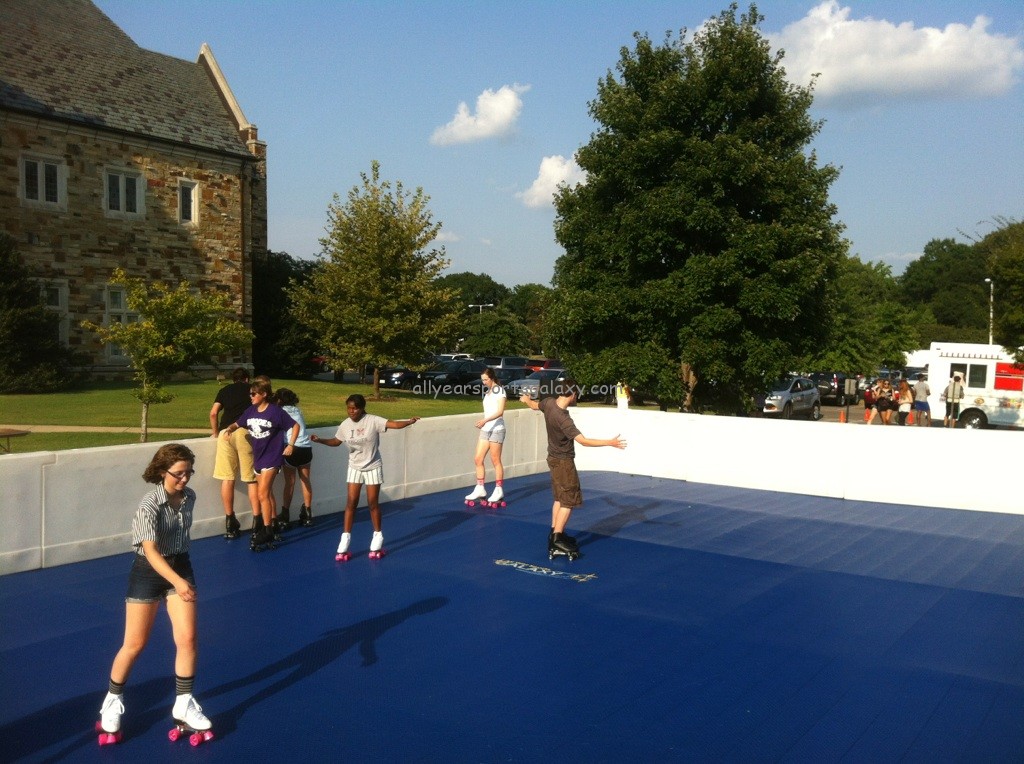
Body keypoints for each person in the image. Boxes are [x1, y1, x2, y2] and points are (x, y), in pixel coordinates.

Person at [95, 444, 213, 746]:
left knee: (187, 639)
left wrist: (180, 579)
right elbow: (150, 550)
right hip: (148, 572)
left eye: (189, 472)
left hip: (180, 564)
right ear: (163, 472)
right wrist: (179, 581)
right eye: (179, 473)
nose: (185, 479)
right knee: (135, 643)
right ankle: (112, 700)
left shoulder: (190, 497)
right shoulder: (148, 505)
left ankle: (184, 702)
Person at [519, 378, 626, 559]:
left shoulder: (549, 403)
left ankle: (555, 533)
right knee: (569, 501)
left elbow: (534, 405)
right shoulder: (564, 419)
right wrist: (610, 442)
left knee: (559, 498)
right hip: (564, 463)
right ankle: (557, 540)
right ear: (573, 394)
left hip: (552, 459)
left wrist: (526, 399)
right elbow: (583, 441)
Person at [310, 394, 420, 560]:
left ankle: (377, 537)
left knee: (372, 503)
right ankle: (345, 540)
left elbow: (394, 424)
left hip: (373, 467)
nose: (351, 411)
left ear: (362, 408)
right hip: (354, 467)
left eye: (354, 408)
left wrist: (409, 422)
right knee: (351, 502)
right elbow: (336, 441)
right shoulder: (345, 425)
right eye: (349, 408)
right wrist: (320, 440)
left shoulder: (373, 420)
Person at [221, 378, 299, 550]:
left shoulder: (275, 412)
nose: (251, 397)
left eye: (254, 394)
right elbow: (238, 423)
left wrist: (291, 445)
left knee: (262, 494)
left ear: (264, 394)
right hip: (259, 458)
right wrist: (229, 429)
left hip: (272, 458)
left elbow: (295, 426)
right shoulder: (251, 411)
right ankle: (272, 524)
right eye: (250, 394)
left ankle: (267, 529)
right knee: (266, 494)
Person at [208, 367, 257, 540]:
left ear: (233, 379)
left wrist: (216, 432)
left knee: (227, 477)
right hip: (244, 432)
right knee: (251, 478)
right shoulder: (252, 391)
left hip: (225, 433)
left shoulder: (224, 390)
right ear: (246, 379)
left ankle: (230, 521)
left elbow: (214, 413)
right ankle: (257, 521)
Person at [464, 367, 507, 508]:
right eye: (482, 380)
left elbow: (500, 412)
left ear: (492, 378)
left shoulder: (500, 391)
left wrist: (484, 420)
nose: (483, 382)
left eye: (486, 379)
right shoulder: (488, 392)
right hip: (486, 429)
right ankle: (480, 488)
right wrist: (485, 423)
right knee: (478, 458)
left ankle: (498, 489)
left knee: (495, 460)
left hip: (497, 429)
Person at [275, 387, 314, 528]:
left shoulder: (280, 412)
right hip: (306, 449)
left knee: (289, 483)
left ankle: (285, 514)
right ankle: (308, 513)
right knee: (305, 481)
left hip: (292, 448)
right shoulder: (298, 411)